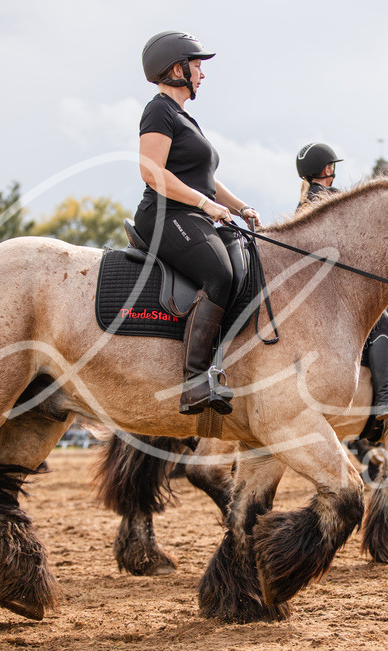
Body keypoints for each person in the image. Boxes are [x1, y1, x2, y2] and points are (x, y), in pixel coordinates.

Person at [135, 31, 262, 416]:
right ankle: (193, 381)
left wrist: (239, 207)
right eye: (197, 66)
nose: (202, 75)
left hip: (189, 212)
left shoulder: (183, 117)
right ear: (178, 69)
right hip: (164, 215)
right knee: (219, 274)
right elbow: (151, 171)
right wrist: (206, 205)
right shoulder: (159, 110)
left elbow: (202, 178)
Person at [294, 143, 388, 419]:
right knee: (383, 322)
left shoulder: (304, 204)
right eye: (332, 166)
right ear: (327, 169)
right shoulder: (331, 200)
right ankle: (383, 396)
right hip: (338, 290)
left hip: (321, 288)